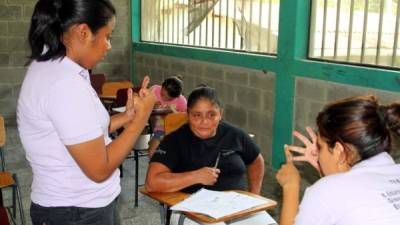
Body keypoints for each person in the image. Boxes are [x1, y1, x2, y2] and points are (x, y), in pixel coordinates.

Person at [17, 1, 156, 225]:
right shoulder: (63, 84)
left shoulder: (55, 68)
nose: (109, 46)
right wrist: (140, 121)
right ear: (83, 32)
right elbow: (99, 169)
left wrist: (126, 117)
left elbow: (81, 132)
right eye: (107, 36)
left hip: (77, 207)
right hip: (76, 212)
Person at [145, 86, 276, 225]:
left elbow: (256, 160)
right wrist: (195, 176)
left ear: (220, 113)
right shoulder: (174, 141)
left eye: (211, 114)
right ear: (188, 115)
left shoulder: (235, 134)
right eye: (197, 115)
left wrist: (254, 196)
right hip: (191, 210)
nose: (204, 121)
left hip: (237, 208)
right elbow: (152, 183)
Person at [276, 95, 400, 225]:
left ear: (339, 150)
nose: (318, 153)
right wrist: (327, 172)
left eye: (320, 146)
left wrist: (291, 186)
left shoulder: (326, 191)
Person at [148, 76, 187, 157]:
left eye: (168, 99)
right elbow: (143, 107)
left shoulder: (181, 101)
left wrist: (173, 112)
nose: (164, 99)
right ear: (162, 86)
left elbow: (185, 117)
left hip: (174, 130)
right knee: (158, 136)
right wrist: (151, 105)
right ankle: (153, 158)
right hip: (158, 126)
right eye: (162, 95)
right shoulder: (154, 90)